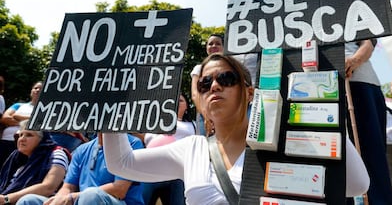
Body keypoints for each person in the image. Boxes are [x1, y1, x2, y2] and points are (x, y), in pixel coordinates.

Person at [103, 53, 369, 205]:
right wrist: (110, 104)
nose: (214, 86)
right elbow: (121, 163)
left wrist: (318, 112)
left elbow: (357, 185)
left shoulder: (285, 141)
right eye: (205, 84)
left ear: (250, 93)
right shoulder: (193, 149)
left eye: (226, 78)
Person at [17, 133, 145, 205]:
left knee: (91, 195)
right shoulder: (82, 149)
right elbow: (68, 187)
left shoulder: (133, 143)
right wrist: (59, 200)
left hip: (119, 202)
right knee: (28, 201)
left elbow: (120, 189)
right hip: (82, 200)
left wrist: (73, 197)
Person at [345, 39, 392, 204]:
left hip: (357, 81)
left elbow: (368, 42)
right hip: (313, 83)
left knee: (370, 154)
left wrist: (354, 61)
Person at [141, 93, 195, 205]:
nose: (176, 103)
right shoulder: (154, 123)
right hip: (150, 169)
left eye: (180, 100)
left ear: (186, 107)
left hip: (176, 171)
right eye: (173, 100)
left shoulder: (193, 125)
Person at [0, 120, 69, 204]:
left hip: (42, 201)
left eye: (29, 135)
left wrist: (6, 199)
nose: (22, 139)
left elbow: (49, 187)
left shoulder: (56, 154)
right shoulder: (16, 158)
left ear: (42, 139)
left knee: (27, 200)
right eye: (20, 135)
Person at [0, 81, 43, 167]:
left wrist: (17, 117)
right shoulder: (18, 105)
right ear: (31, 91)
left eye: (41, 89)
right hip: (6, 142)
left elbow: (41, 123)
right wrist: (30, 121)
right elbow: (5, 118)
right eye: (35, 88)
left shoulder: (45, 109)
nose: (37, 90)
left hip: (26, 145)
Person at [191, 34, 224, 136]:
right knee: (205, 147)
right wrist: (206, 116)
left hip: (225, 113)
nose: (214, 46)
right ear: (206, 48)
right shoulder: (199, 68)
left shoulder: (229, 68)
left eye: (218, 43)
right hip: (204, 113)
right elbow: (195, 94)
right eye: (210, 44)